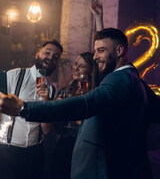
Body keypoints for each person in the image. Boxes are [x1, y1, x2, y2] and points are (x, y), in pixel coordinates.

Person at [0, 28, 152, 179]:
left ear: (119, 51)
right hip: (14, 152)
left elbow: (86, 103)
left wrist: (24, 108)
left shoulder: (121, 79)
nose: (96, 56)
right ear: (38, 53)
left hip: (109, 167)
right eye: (95, 51)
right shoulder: (132, 78)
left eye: (100, 50)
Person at [0, 38, 63, 179]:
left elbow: (46, 130)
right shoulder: (15, 75)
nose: (50, 58)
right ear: (37, 54)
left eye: (55, 57)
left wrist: (46, 101)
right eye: (47, 53)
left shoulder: (52, 90)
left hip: (35, 153)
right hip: (8, 152)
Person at [53, 51, 98, 179]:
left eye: (82, 66)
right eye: (76, 64)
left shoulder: (95, 93)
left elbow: (91, 126)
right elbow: (58, 128)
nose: (76, 69)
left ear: (91, 70)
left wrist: (67, 110)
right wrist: (57, 110)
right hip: (64, 145)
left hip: (85, 147)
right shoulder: (65, 91)